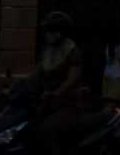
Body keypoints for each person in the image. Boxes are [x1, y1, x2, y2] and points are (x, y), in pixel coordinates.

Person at [34, 11, 83, 155]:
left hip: (67, 104)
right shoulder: (47, 50)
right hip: (46, 103)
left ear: (60, 32)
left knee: (46, 130)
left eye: (50, 30)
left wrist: (57, 92)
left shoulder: (72, 50)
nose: (46, 34)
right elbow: (36, 73)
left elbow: (72, 79)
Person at [101, 33, 120, 102]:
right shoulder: (119, 47)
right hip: (116, 75)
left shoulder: (108, 46)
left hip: (107, 74)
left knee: (108, 97)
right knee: (115, 99)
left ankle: (108, 111)